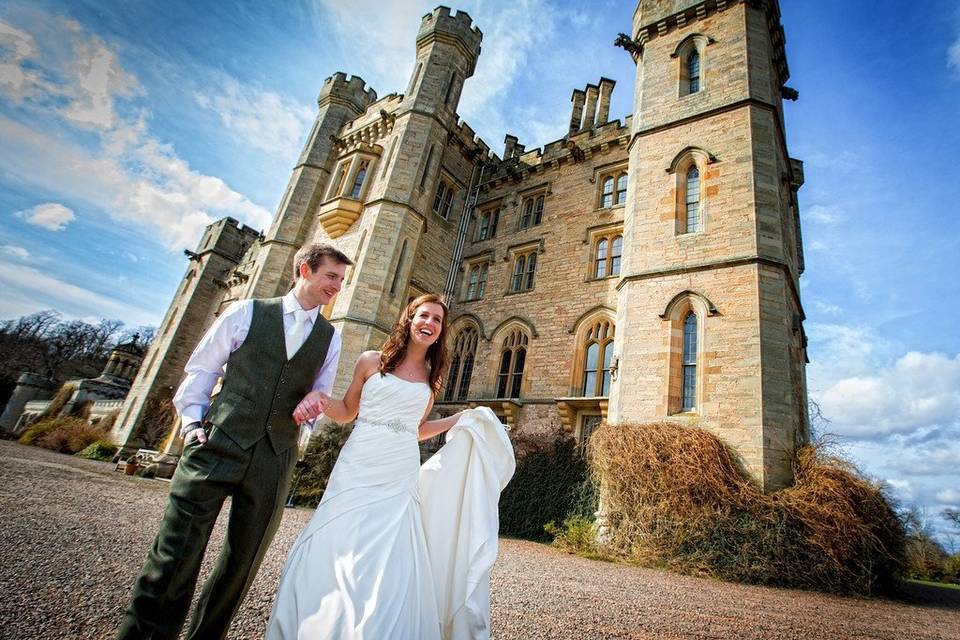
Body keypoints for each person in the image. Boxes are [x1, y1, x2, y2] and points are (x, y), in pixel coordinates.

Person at [117, 243, 353, 640]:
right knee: (174, 554)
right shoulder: (245, 312)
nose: (337, 287)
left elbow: (320, 392)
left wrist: (314, 405)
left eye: (342, 281)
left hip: (274, 455)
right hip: (217, 443)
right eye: (331, 276)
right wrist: (192, 426)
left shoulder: (330, 338)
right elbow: (202, 370)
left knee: (241, 564)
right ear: (304, 270)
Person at [266, 294, 515, 640]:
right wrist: (322, 401)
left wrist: (458, 418)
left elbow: (415, 429)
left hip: (399, 469)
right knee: (341, 537)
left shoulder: (433, 378)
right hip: (359, 460)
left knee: (388, 550)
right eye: (424, 316)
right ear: (409, 319)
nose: (429, 324)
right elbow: (347, 411)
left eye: (437, 321)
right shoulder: (371, 361)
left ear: (441, 331)